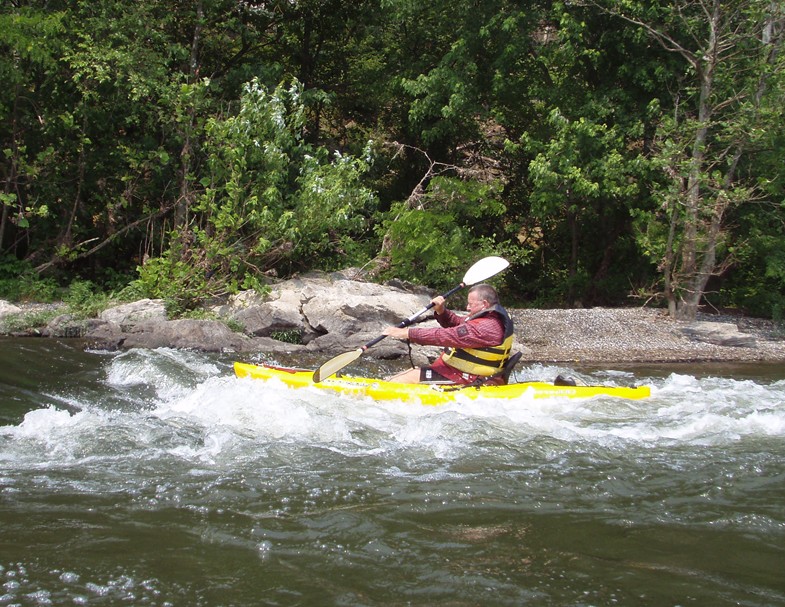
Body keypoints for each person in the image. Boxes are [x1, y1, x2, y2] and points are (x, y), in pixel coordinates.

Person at [382, 283, 515, 385]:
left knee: (405, 379)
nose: (467, 308)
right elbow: (458, 324)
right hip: (456, 372)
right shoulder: (488, 317)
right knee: (403, 376)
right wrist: (441, 311)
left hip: (469, 379)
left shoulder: (487, 326)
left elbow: (445, 336)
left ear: (484, 304)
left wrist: (407, 333)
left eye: (470, 304)